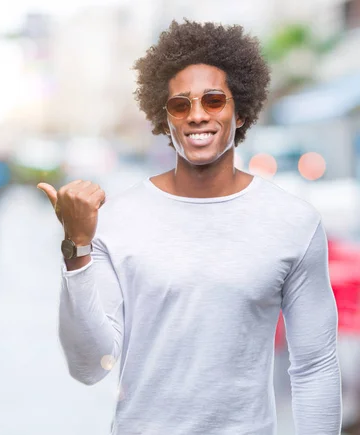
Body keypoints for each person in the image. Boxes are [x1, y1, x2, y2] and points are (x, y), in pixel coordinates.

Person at [37, 20, 341, 434]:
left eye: (214, 100)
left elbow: (315, 366)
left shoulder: (294, 223)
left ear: (240, 108)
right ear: (165, 119)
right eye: (181, 105)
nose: (197, 115)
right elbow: (89, 366)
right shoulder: (117, 220)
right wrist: (77, 246)